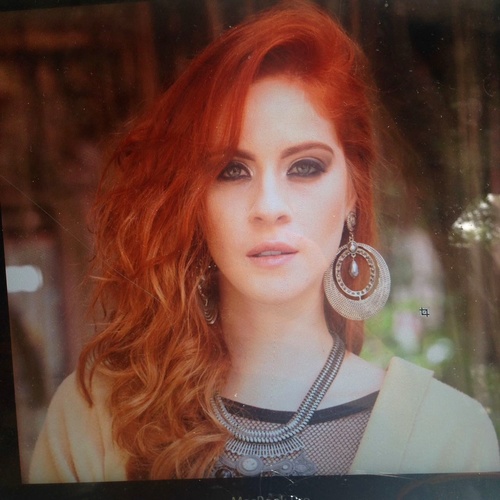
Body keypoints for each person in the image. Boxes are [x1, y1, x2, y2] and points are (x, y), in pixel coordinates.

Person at [29, 2, 499, 482]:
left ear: (352, 194)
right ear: (194, 201)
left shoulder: (451, 435)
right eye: (232, 170)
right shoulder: (94, 419)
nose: (268, 206)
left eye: (305, 167)